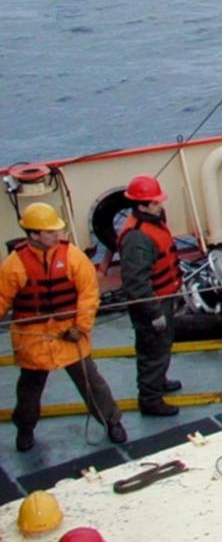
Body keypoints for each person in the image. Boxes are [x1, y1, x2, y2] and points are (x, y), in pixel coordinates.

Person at [0, 203, 125, 452]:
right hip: (33, 340)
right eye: (50, 232)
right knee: (29, 391)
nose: (57, 235)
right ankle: (25, 429)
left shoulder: (73, 257)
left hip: (70, 335)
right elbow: (2, 298)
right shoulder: (14, 266)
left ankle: (112, 421)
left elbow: (89, 294)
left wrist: (81, 327)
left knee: (92, 382)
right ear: (34, 234)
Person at [119, 174, 184, 416]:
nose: (160, 205)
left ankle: (158, 381)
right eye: (155, 202)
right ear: (142, 205)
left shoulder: (153, 223)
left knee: (162, 345)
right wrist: (155, 313)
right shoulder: (137, 238)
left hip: (164, 297)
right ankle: (150, 399)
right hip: (151, 305)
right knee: (153, 350)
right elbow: (136, 284)